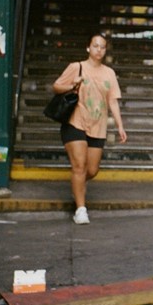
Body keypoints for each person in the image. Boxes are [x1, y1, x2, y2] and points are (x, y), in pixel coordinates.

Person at [51, 32, 127, 225]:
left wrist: (119, 125)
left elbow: (113, 101)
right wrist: (72, 84)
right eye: (95, 46)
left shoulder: (109, 73)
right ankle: (81, 209)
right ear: (88, 48)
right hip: (75, 123)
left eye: (102, 46)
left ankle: (77, 188)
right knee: (79, 166)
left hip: (98, 126)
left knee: (91, 170)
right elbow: (56, 87)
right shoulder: (77, 67)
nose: (99, 50)